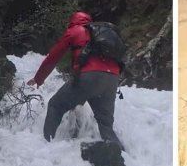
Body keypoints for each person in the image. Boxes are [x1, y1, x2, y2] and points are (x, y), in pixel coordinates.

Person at [27, 11, 123, 149]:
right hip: (112, 79)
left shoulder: (75, 30)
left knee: (55, 105)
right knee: (106, 126)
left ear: (73, 21)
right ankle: (120, 160)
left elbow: (53, 57)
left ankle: (45, 147)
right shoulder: (101, 33)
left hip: (90, 76)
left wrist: (38, 79)